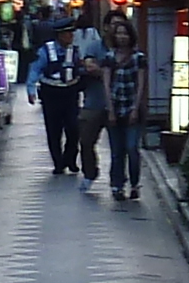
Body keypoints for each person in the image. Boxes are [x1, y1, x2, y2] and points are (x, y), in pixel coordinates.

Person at [102, 21, 149, 202]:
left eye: (125, 34)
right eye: (119, 34)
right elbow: (106, 84)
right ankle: (117, 185)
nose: (122, 37)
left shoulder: (138, 58)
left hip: (132, 109)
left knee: (131, 147)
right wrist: (110, 110)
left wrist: (136, 109)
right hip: (115, 108)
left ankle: (135, 184)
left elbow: (141, 84)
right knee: (116, 151)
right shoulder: (109, 57)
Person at [29, 17, 79, 173]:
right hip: (51, 93)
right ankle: (58, 162)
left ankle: (70, 157)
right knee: (54, 130)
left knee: (73, 128)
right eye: (68, 33)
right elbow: (35, 69)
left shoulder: (75, 50)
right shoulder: (46, 51)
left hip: (70, 93)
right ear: (60, 35)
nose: (71, 36)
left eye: (72, 33)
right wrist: (31, 90)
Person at [67, 25, 110, 182]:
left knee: (121, 147)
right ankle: (90, 172)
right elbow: (89, 65)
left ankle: (118, 182)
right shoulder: (94, 46)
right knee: (86, 140)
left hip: (120, 103)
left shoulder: (129, 49)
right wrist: (109, 73)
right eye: (110, 25)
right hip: (94, 101)